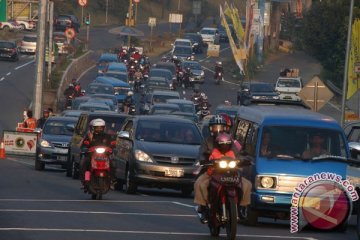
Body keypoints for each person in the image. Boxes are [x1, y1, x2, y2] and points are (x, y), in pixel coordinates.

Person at [194, 132, 252, 223]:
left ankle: (242, 208)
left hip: (232, 175)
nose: (224, 146)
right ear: (217, 144)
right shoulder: (213, 152)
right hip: (215, 174)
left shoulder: (233, 151)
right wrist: (206, 161)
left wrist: (244, 160)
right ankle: (205, 208)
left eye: (227, 144)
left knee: (248, 184)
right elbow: (205, 157)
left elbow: (241, 155)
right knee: (201, 185)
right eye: (222, 144)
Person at [80, 119, 115, 188]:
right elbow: (84, 145)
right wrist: (87, 146)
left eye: (101, 127)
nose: (99, 129)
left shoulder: (107, 136)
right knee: (84, 163)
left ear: (104, 128)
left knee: (113, 164)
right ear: (93, 128)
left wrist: (112, 148)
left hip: (105, 155)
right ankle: (85, 179)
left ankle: (111, 180)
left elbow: (113, 144)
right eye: (97, 127)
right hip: (92, 155)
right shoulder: (90, 136)